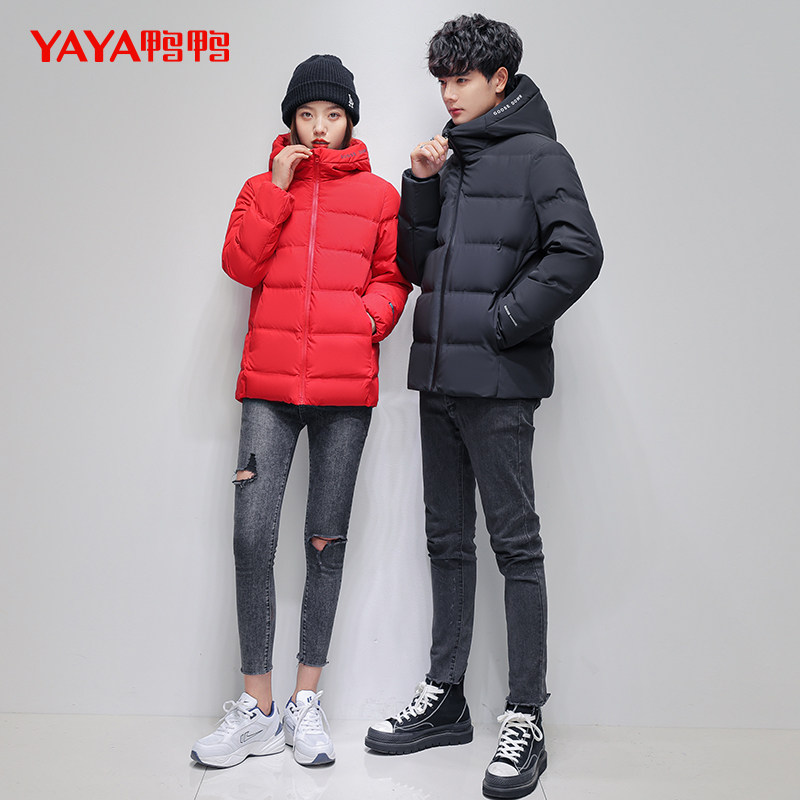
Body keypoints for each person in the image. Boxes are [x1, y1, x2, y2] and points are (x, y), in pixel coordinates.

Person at [364, 15, 602, 799]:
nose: (448, 93)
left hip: (498, 385)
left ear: (500, 79)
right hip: (437, 381)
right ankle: (447, 698)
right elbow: (415, 265)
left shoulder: (542, 157)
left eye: (461, 79)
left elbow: (580, 251)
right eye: (441, 79)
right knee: (447, 543)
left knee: (516, 548)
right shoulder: (450, 156)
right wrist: (420, 185)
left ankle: (525, 714)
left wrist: (502, 324)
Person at [191, 54, 411, 769]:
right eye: (307, 115)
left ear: (350, 121)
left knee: (325, 542)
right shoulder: (261, 187)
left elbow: (393, 277)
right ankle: (256, 707)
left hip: (345, 392)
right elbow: (240, 265)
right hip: (269, 387)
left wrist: (368, 321)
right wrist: (277, 191)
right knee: (251, 539)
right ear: (290, 120)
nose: (319, 128)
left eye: (332, 115)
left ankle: (304, 701)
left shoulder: (380, 196)